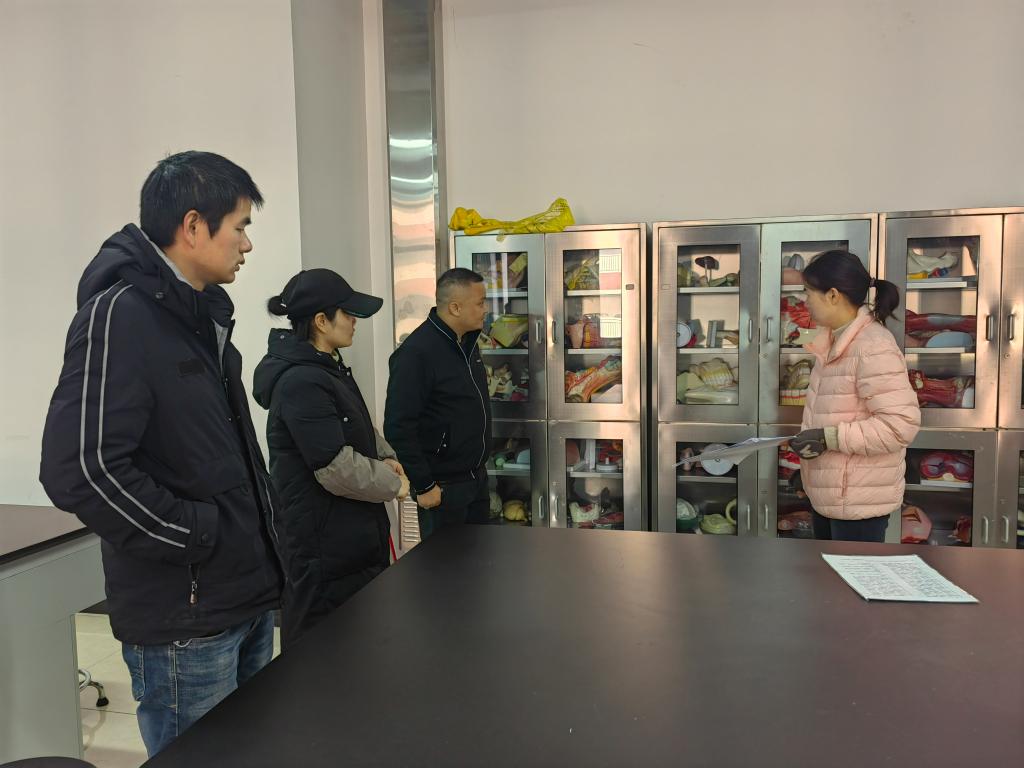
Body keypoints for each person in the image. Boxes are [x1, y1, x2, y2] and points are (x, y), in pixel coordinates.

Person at [39, 151, 284, 757]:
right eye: (240, 227)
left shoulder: (200, 316)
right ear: (193, 226)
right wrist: (195, 535)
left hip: (244, 596)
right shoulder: (121, 316)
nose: (247, 244)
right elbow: (80, 468)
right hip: (186, 619)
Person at [253, 268, 408, 646]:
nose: (355, 321)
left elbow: (357, 426)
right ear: (321, 321)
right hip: (325, 551)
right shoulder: (301, 381)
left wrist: (386, 456)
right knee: (321, 656)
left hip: (351, 545)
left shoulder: (329, 367)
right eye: (348, 313)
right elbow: (334, 468)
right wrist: (394, 484)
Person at [787, 250, 921, 542]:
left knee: (848, 574)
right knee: (825, 572)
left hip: (858, 503)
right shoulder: (834, 341)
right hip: (834, 496)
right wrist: (811, 469)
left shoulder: (872, 345)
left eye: (808, 292)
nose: (805, 301)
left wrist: (828, 438)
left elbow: (899, 426)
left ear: (833, 295)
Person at [384, 268, 492, 540]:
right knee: (447, 565)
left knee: (481, 561)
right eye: (480, 303)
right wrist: (424, 484)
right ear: (455, 307)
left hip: (475, 480)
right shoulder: (416, 353)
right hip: (443, 488)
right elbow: (398, 426)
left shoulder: (467, 343)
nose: (486, 310)